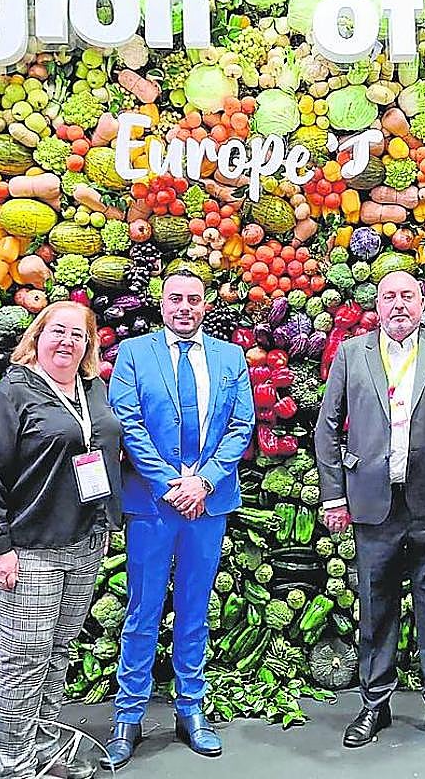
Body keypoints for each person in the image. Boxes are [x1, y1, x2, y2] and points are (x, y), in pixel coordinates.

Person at [314, 270, 425, 753]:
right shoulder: (351, 355)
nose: (399, 305)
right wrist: (334, 495)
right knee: (375, 605)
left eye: (407, 296)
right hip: (372, 501)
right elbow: (326, 428)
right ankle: (374, 702)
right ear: (377, 304)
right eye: (389, 297)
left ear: (422, 302)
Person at [102, 270, 255, 769]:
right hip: (153, 502)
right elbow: (128, 422)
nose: (184, 307)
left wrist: (204, 481)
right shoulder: (133, 354)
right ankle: (128, 716)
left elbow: (242, 424)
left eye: (193, 299)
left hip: (207, 503)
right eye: (175, 299)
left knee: (194, 607)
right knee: (143, 610)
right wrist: (172, 482)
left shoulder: (230, 357)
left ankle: (191, 709)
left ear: (205, 304)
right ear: (161, 302)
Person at [0, 301, 123, 779]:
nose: (67, 342)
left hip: (84, 540)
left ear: (89, 346)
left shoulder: (92, 387)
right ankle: (14, 763)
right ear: (37, 336)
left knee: (58, 652)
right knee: (23, 658)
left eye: (78, 336)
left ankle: (46, 750)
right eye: (59, 332)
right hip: (29, 547)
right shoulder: (12, 393)